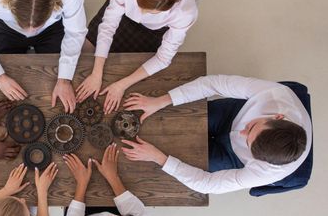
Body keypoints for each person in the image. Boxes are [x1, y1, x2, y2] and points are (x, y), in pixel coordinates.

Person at [121, 75, 312, 194]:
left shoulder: (265, 172)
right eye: (252, 127)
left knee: (185, 157)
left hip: (233, 156)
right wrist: (161, 101)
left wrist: (159, 158)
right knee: (178, 116)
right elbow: (213, 84)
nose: (242, 133)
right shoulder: (275, 95)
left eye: (249, 142)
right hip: (234, 115)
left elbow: (207, 184)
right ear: (278, 116)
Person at [76, 0, 198, 115]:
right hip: (122, 12)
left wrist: (121, 85)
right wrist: (96, 73)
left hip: (152, 31)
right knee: (85, 50)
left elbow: (163, 58)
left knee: (133, 66)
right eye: (140, 4)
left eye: (150, 12)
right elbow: (108, 26)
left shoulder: (185, 13)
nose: (140, 13)